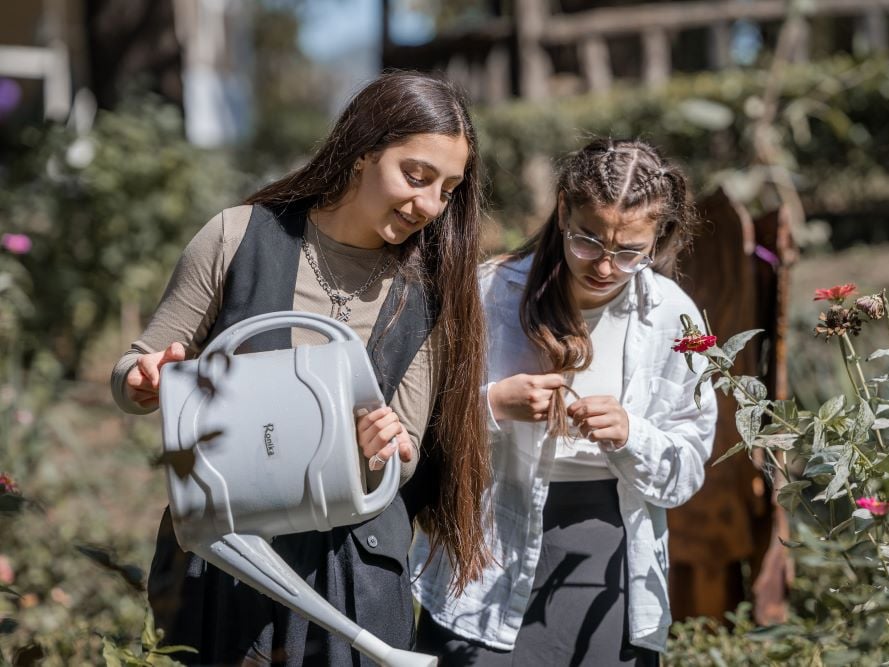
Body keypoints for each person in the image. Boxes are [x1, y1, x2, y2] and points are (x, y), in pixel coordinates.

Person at [110, 71, 491, 666]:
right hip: (227, 558)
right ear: (364, 152)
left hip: (355, 579)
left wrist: (387, 445)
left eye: (448, 188)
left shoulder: (433, 292)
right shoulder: (236, 237)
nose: (429, 205)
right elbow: (139, 365)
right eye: (416, 176)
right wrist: (142, 380)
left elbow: (407, 444)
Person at [411, 138, 719, 665]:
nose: (604, 266)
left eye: (628, 253)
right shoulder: (489, 294)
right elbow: (415, 426)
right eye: (588, 241)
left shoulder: (676, 316)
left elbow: (687, 470)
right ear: (562, 212)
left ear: (657, 239)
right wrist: (493, 404)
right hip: (486, 553)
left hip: (607, 561)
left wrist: (630, 434)